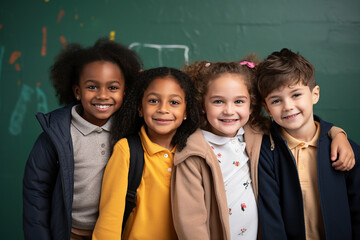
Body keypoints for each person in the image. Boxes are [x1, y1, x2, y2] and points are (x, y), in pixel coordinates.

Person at [171, 57, 356, 240]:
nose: (229, 110)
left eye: (239, 102)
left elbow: (304, 126)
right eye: (218, 101)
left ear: (252, 106)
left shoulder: (256, 134)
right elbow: (190, 220)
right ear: (202, 105)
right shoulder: (193, 151)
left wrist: (337, 133)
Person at [22, 37, 142, 240]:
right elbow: (36, 194)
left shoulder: (131, 131)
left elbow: (165, 103)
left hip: (115, 232)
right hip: (69, 232)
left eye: (113, 88)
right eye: (92, 87)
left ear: (125, 91)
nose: (103, 95)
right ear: (77, 91)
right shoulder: (56, 135)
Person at [257, 48, 360, 240]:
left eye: (296, 95)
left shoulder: (345, 149)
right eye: (276, 100)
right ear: (267, 109)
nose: (288, 106)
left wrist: (337, 133)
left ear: (315, 94)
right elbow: (271, 218)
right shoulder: (264, 152)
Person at [92, 67, 200, 240]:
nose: (163, 109)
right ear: (140, 109)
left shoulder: (195, 152)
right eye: (153, 101)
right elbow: (109, 220)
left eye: (174, 102)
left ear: (186, 111)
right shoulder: (126, 150)